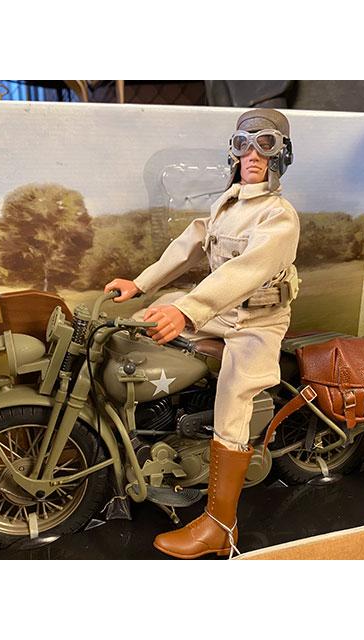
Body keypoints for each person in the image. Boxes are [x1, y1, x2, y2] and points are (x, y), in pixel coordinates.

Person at [104, 109, 300, 559]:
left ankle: (220, 526)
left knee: (233, 400)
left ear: (280, 154)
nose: (252, 154)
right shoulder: (228, 204)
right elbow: (190, 243)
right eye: (243, 144)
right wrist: (141, 284)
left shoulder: (279, 217)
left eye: (265, 144)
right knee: (145, 320)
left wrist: (187, 311)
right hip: (220, 310)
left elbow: (243, 272)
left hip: (257, 322)